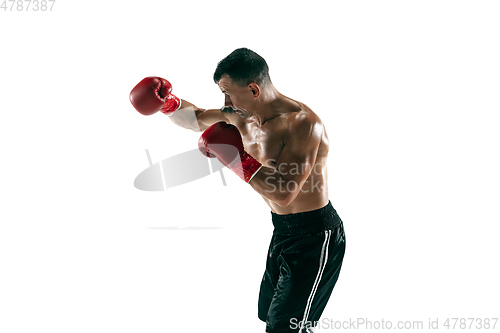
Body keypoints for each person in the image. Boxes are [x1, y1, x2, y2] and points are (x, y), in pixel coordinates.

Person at [129, 48, 346, 333]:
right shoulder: (242, 115)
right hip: (282, 230)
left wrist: (235, 157)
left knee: (287, 327)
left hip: (315, 237)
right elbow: (196, 118)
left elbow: (283, 192)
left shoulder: (302, 123)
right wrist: (167, 104)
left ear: (254, 89)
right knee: (271, 315)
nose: (225, 102)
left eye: (228, 93)